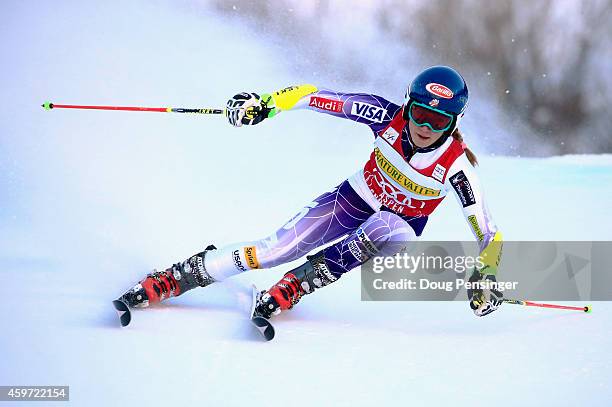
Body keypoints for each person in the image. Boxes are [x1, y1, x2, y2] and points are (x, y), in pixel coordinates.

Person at [116, 65, 503, 320]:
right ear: (409, 105)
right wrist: (266, 105)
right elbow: (313, 95)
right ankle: (180, 275)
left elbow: (489, 233)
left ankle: (299, 283)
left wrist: (486, 274)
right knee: (271, 251)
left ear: (454, 121)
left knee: (389, 228)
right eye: (420, 112)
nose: (425, 125)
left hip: (396, 227)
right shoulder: (385, 116)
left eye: (439, 120)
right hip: (353, 199)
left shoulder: (456, 166)